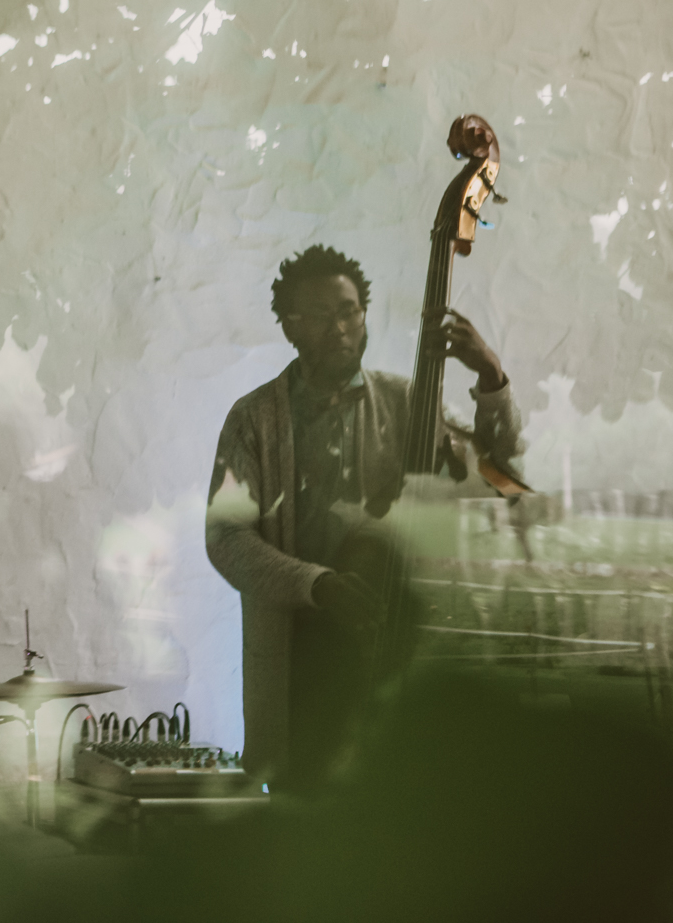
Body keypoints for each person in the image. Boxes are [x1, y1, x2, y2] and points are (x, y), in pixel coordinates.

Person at [206, 245, 523, 791]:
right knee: (303, 822)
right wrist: (318, 585)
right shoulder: (253, 419)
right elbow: (227, 539)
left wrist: (491, 376)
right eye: (321, 315)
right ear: (290, 328)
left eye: (349, 311)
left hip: (397, 647)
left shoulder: (405, 402)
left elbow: (499, 479)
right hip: (299, 660)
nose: (340, 328)